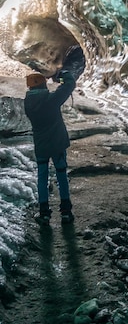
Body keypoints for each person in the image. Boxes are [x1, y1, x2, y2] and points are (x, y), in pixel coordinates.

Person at [24, 70, 76, 225]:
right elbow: (69, 85)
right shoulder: (51, 99)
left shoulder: (28, 102)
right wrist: (65, 74)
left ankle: (44, 213)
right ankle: (66, 211)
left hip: (41, 145)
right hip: (57, 143)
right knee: (61, 174)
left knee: (42, 176)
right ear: (43, 84)